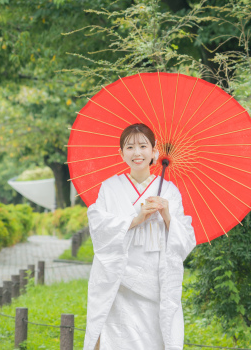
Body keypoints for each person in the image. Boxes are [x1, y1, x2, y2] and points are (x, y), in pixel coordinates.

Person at [84, 123, 196, 350]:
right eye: (130, 147)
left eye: (143, 146)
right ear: (121, 153)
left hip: (154, 280)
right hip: (118, 281)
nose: (137, 153)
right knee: (116, 338)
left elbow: (186, 239)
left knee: (153, 339)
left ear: (154, 151)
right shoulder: (110, 187)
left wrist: (167, 215)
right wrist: (135, 218)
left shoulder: (169, 190)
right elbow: (98, 225)